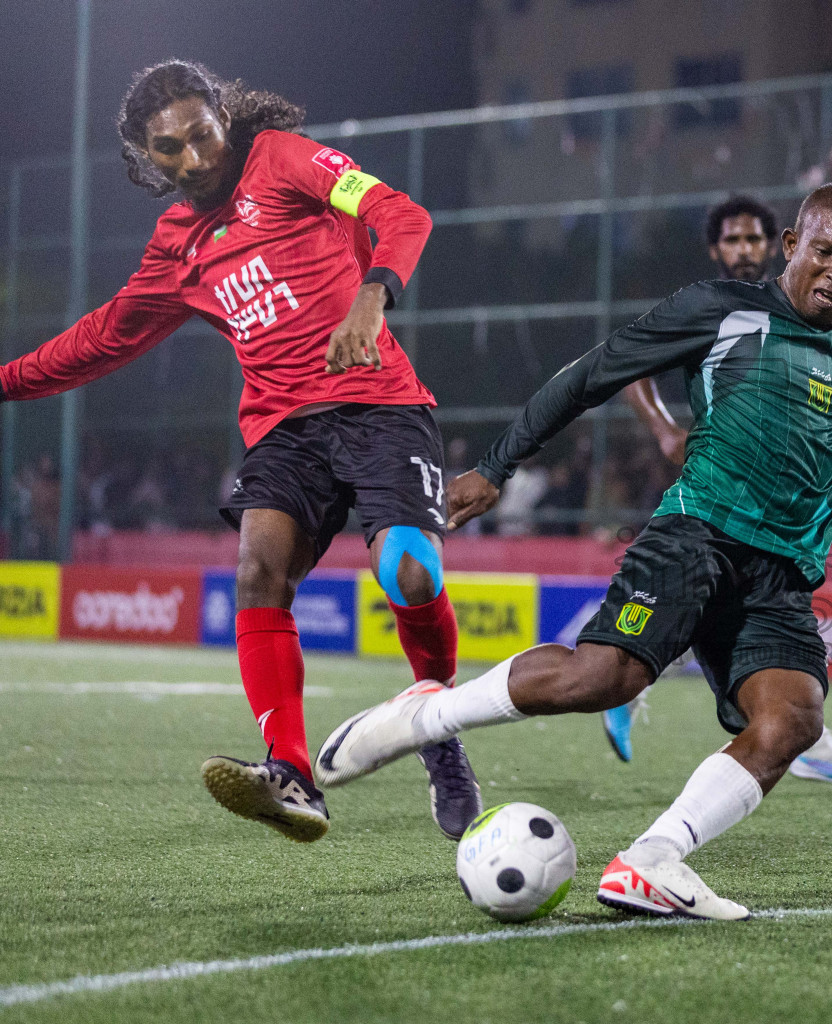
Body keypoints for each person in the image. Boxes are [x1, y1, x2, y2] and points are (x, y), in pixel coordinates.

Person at [317, 183, 832, 919]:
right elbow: (592, 374)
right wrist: (496, 466)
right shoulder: (720, 308)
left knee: (793, 719)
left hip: (778, 575)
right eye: (824, 250)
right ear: (792, 245)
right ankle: (421, 718)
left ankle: (652, 860)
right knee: (607, 677)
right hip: (697, 533)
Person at [0, 61, 480, 843]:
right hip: (284, 429)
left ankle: (438, 728)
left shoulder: (285, 159)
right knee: (259, 569)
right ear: (143, 159)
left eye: (202, 136)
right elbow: (101, 339)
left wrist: (371, 295)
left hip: (378, 403)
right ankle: (292, 774)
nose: (193, 159)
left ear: (224, 118)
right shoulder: (175, 249)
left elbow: (401, 212)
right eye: (169, 150)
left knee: (409, 571)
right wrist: (7, 383)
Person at [607, 194, 832, 784]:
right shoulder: (714, 307)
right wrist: (664, 432)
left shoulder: (808, 306)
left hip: (781, 494)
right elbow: (631, 363)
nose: (743, 250)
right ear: (716, 249)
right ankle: (633, 680)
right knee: (717, 596)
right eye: (731, 241)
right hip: (711, 478)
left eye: (752, 240)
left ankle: (643, 685)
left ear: (778, 244)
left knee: (734, 603)